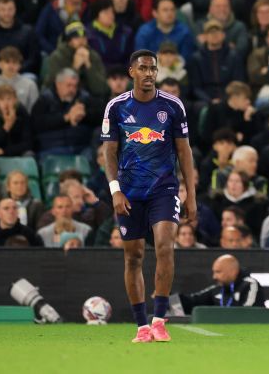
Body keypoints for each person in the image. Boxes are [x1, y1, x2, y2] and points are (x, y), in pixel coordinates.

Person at [101, 49, 196, 343]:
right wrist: (115, 190)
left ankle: (159, 320)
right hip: (129, 191)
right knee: (134, 257)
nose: (148, 74)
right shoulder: (116, 107)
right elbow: (109, 152)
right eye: (142, 68)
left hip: (163, 189)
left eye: (152, 69)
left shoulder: (172, 106)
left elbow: (184, 151)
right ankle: (142, 326)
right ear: (132, 72)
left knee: (165, 247)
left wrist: (191, 194)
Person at [177, 254, 265, 312]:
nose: (214, 277)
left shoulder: (249, 285)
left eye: (218, 272)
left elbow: (248, 313)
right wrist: (168, 297)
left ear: (233, 271)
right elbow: (193, 301)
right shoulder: (218, 288)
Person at [0, 83, 33, 157]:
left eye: (9, 99)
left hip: (17, 153)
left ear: (15, 100)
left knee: (29, 154)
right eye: (1, 99)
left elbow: (28, 143)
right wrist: (6, 127)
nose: (5, 103)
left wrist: (4, 151)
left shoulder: (21, 112)